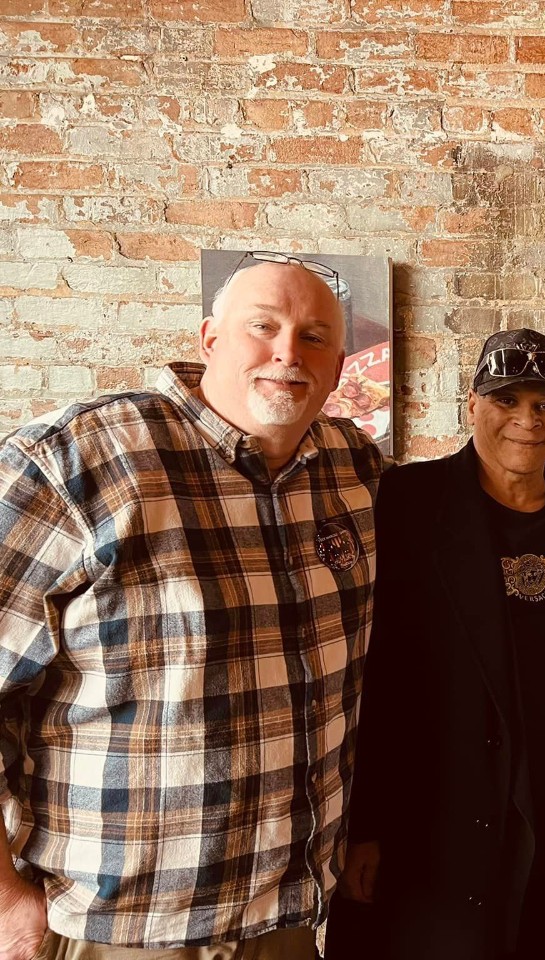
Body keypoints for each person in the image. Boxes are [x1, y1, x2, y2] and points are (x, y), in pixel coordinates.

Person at [0, 254, 380, 959]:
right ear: (209, 340)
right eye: (262, 327)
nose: (287, 353)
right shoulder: (76, 463)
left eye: (315, 337)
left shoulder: (350, 468)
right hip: (124, 931)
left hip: (287, 924)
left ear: (339, 366)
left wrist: (540, 473)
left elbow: (446, 512)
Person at [326, 329, 545, 960]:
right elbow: (374, 673)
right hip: (441, 800)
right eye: (506, 401)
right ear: (472, 406)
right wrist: (365, 824)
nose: (526, 421)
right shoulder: (408, 503)